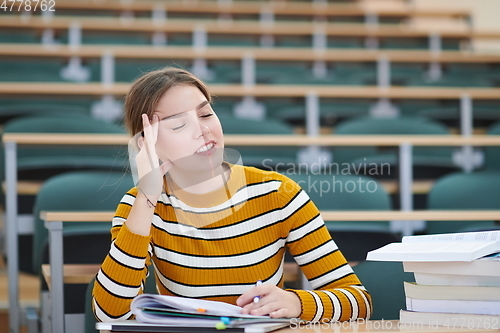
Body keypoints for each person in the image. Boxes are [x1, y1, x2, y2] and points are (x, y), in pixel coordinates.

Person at [92, 67, 371, 323]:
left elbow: (359, 302)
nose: (203, 130)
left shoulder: (277, 193)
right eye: (179, 125)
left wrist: (296, 303)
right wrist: (147, 197)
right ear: (147, 144)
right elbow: (110, 315)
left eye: (205, 114)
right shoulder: (139, 206)